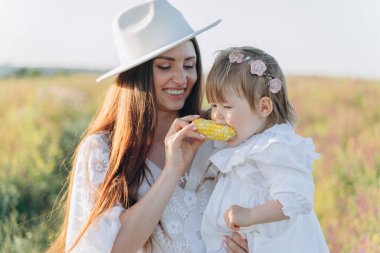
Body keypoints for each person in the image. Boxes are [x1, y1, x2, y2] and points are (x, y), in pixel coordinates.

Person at [47, 0, 249, 252]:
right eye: (165, 66)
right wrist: (172, 172)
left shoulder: (217, 140)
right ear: (137, 76)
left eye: (189, 65)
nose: (182, 78)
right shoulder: (102, 151)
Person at [200, 46, 330, 253]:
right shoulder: (244, 140)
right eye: (214, 105)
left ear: (263, 107)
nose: (216, 115)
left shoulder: (275, 147)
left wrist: (250, 215)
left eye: (227, 106)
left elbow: (297, 197)